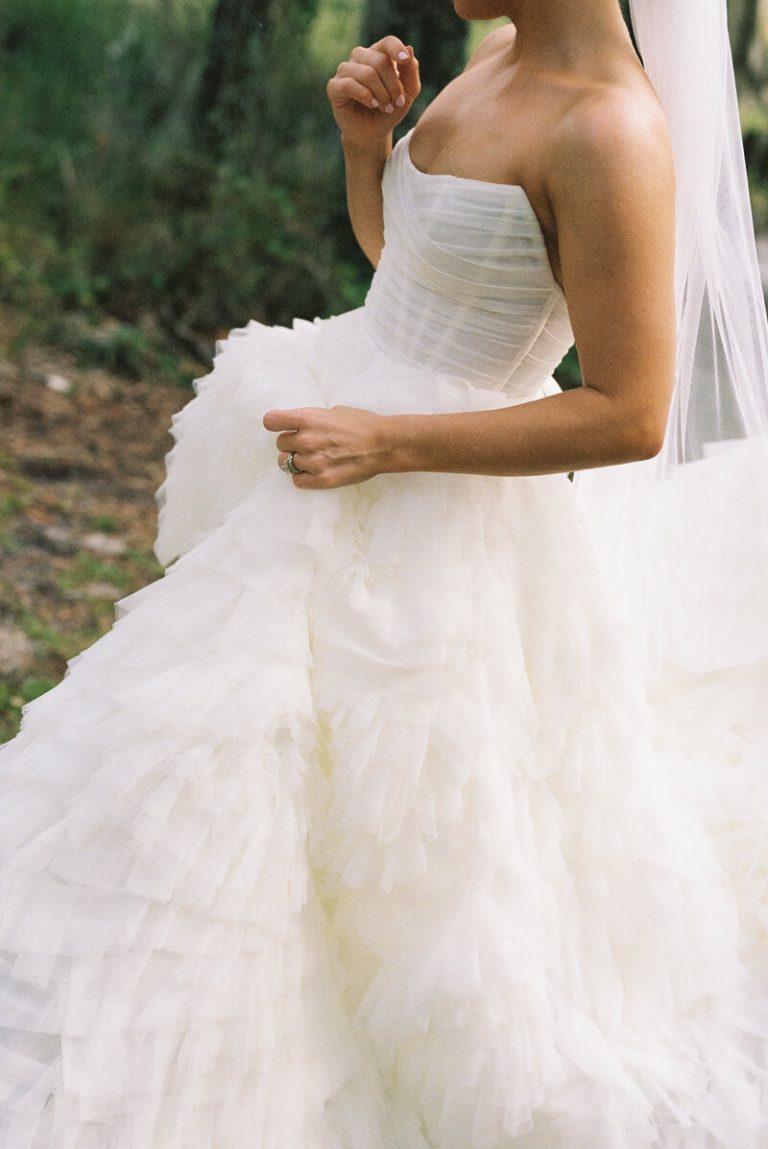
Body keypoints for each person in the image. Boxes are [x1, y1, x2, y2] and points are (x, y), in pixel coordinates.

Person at [0, 1, 766, 1146]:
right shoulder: (496, 53)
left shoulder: (610, 132)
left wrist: (389, 442)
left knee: (377, 824)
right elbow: (418, 276)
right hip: (335, 444)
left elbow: (628, 413)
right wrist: (369, 153)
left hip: (431, 525)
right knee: (206, 753)